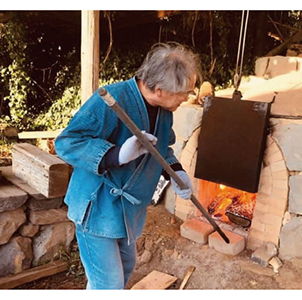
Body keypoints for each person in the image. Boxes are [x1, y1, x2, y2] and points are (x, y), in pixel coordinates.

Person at [54, 42, 201, 289]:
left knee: (125, 267)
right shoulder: (112, 100)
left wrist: (176, 172)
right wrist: (116, 155)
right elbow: (67, 142)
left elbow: (162, 148)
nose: (187, 98)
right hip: (98, 206)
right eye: (183, 93)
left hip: (128, 211)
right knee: (109, 285)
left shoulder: (165, 110)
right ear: (158, 88)